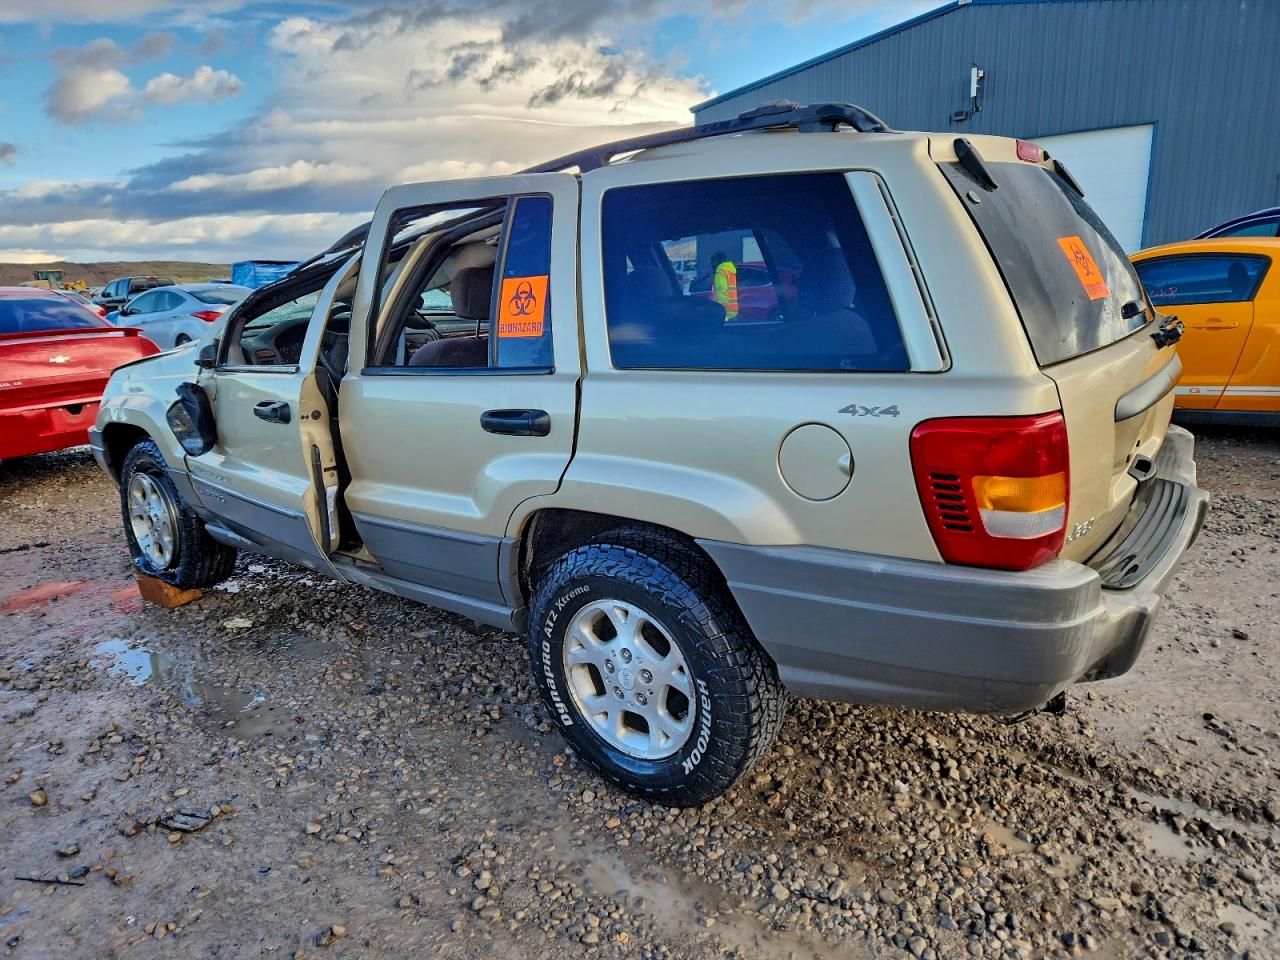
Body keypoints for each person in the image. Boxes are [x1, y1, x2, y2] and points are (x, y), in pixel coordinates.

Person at [711, 251, 739, 320]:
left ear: (717, 261)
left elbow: (721, 292)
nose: (711, 264)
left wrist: (720, 310)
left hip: (725, 311)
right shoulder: (729, 271)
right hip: (733, 310)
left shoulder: (720, 273)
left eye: (712, 262)